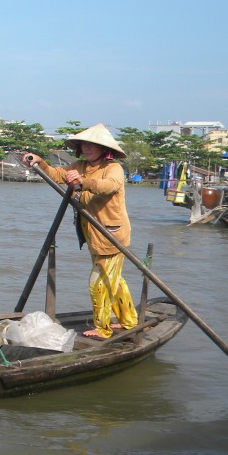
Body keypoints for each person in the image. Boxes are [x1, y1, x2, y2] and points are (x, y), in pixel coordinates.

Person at [22, 123, 138, 339]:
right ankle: (129, 320)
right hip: (94, 234)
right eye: (84, 144)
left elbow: (108, 186)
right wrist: (40, 162)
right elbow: (59, 175)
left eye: (92, 145)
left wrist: (83, 182)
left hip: (112, 234)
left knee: (98, 283)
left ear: (104, 148)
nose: (87, 148)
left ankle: (103, 328)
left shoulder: (113, 168)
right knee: (114, 280)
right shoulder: (80, 165)